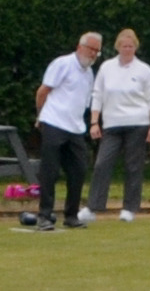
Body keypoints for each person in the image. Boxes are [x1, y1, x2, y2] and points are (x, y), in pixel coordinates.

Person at [29, 32, 102, 231]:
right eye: (91, 49)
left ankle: (71, 215)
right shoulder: (62, 64)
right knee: (49, 171)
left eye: (97, 51)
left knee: (78, 170)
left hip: (75, 127)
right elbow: (42, 91)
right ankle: (44, 216)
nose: (94, 54)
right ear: (80, 46)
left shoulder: (89, 73)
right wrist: (40, 116)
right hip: (53, 122)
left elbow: (83, 102)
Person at [90, 28, 150, 222]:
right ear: (118, 47)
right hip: (112, 124)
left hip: (138, 123)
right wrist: (94, 121)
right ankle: (94, 207)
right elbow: (97, 94)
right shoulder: (106, 67)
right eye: (124, 46)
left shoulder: (144, 69)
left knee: (133, 166)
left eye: (130, 46)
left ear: (135, 47)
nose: (127, 49)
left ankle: (129, 208)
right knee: (102, 164)